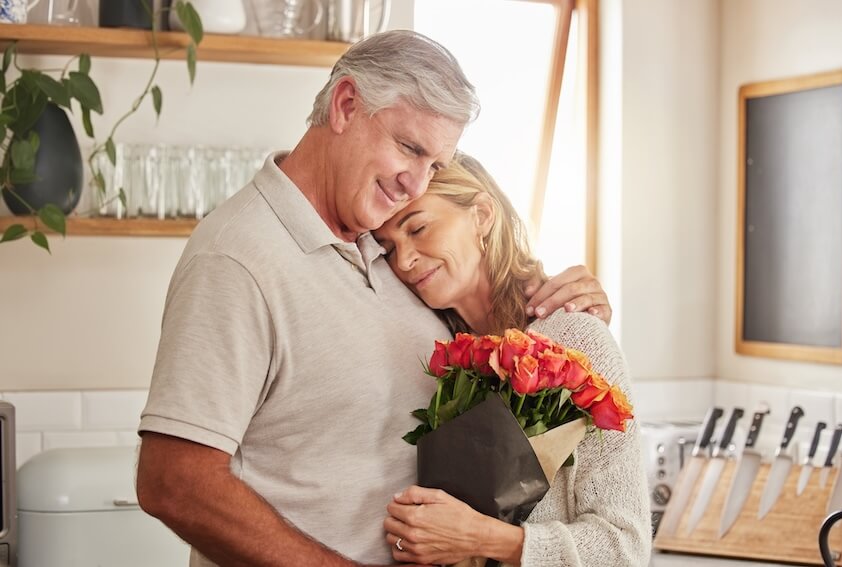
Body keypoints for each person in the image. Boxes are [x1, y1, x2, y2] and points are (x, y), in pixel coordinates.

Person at [135, 30, 612, 567]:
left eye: (434, 165)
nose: (415, 184)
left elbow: (484, 321)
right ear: (345, 105)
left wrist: (571, 312)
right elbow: (172, 482)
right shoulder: (237, 259)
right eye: (409, 147)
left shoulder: (380, 241)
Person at [374, 152, 652, 567]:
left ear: (482, 215)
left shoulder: (575, 338)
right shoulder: (443, 360)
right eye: (388, 248)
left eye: (418, 228)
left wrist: (484, 539)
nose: (404, 260)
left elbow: (624, 547)